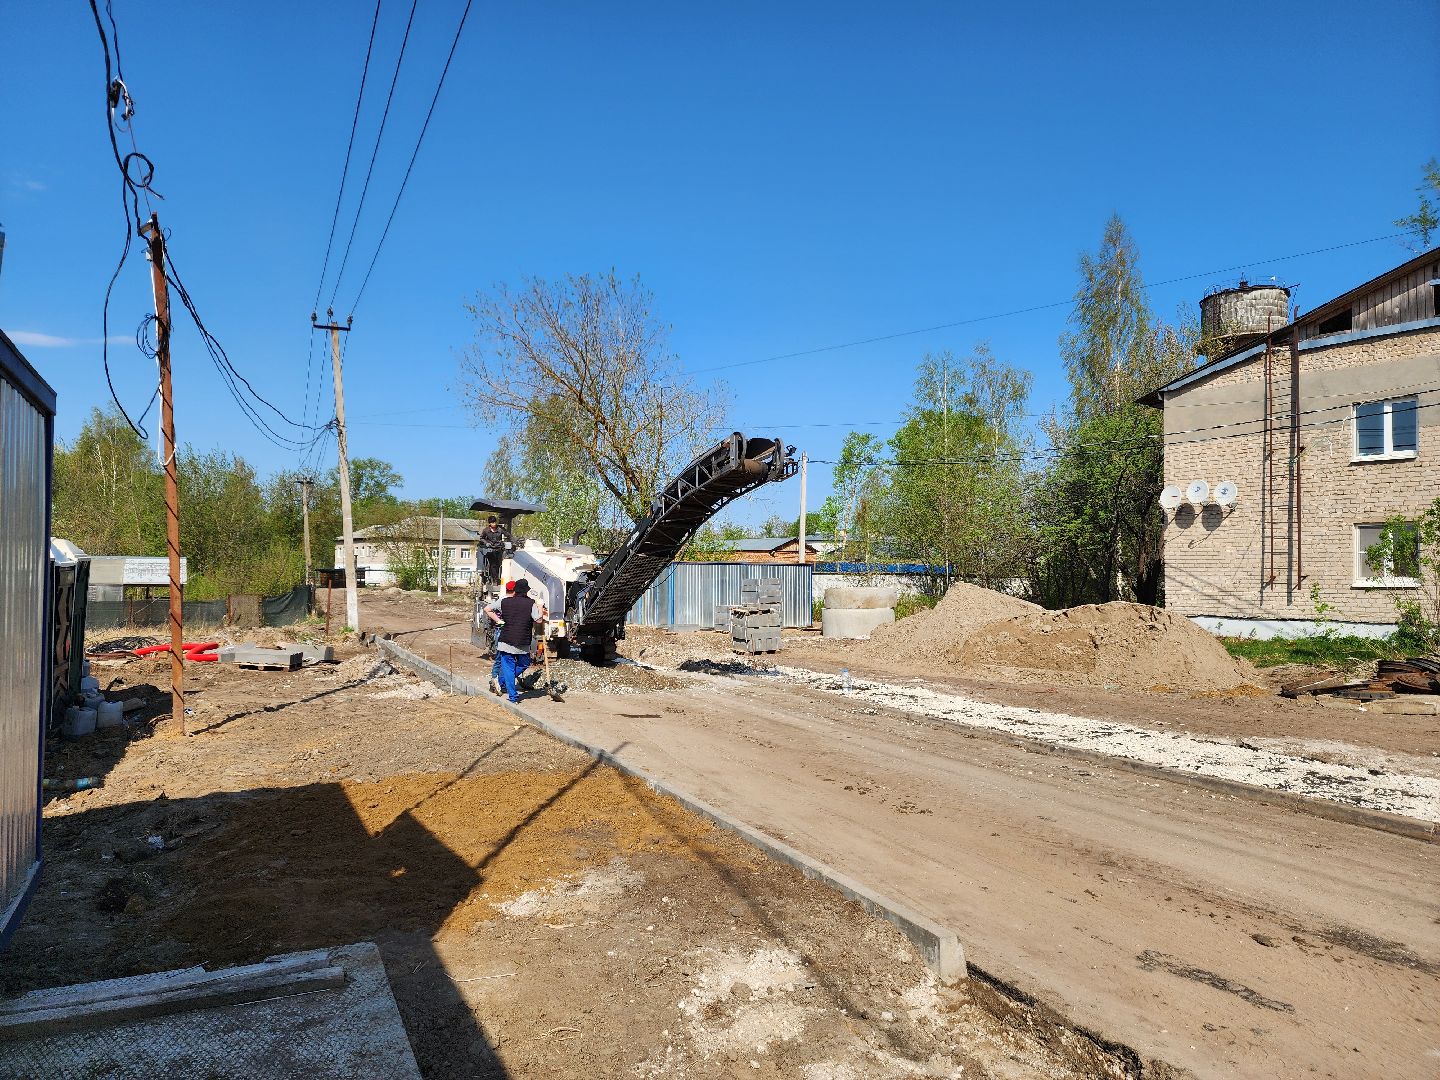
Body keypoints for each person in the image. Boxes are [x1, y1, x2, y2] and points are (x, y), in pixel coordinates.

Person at [495, 578, 545, 703]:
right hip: (522, 640)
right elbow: (539, 620)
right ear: (526, 591)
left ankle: (500, 682)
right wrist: (540, 606)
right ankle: (512, 695)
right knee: (523, 664)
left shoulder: (505, 602)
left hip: (506, 639)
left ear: (515, 590)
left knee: (509, 667)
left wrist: (498, 621)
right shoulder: (530, 603)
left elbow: (488, 609)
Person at [483, 580, 516, 694]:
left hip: (503, 631)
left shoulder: (504, 600)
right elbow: (487, 609)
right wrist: (500, 621)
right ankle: (495, 682)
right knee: (501, 658)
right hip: (502, 631)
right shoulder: (503, 601)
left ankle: (498, 682)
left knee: (503, 659)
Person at [478, 515, 507, 588]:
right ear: (489, 523)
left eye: (495, 522)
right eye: (492, 523)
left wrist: (513, 541)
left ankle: (500, 578)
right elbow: (482, 538)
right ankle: (495, 580)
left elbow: (508, 535)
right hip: (490, 550)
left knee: (500, 564)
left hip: (499, 549)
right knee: (493, 564)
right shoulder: (486, 530)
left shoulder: (500, 529)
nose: (494, 524)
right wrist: (486, 543)